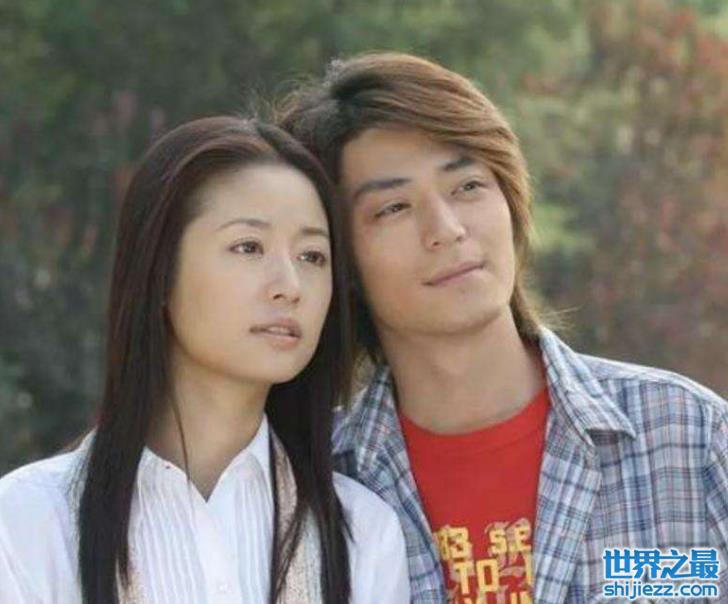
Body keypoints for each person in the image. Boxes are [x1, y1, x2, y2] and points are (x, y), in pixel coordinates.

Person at [278, 52, 728, 604]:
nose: (446, 229)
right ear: (337, 258)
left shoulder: (687, 435)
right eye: (393, 208)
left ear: (510, 200)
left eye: (468, 186)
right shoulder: (312, 485)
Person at [0, 117, 409, 604]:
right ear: (159, 271)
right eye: (248, 247)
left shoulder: (361, 534)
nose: (290, 285)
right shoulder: (27, 525)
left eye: (312, 256)